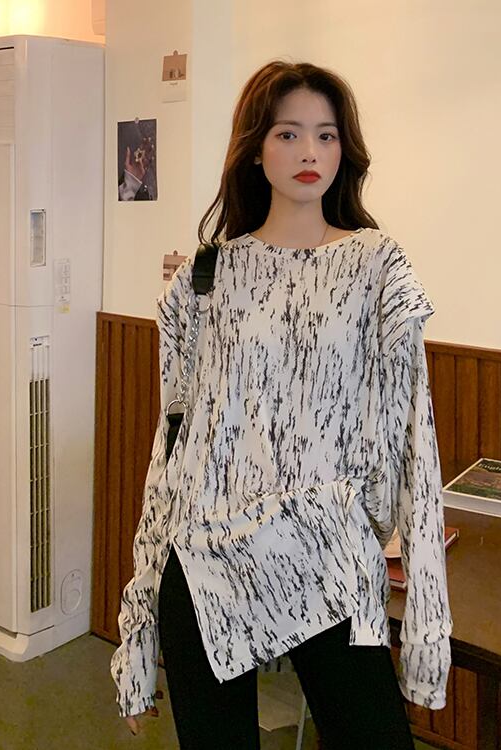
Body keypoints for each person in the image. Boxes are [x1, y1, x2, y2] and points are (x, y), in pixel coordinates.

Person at [110, 60, 452, 749]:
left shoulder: (376, 265)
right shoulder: (206, 276)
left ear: (344, 150)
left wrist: (424, 621)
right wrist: (137, 632)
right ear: (255, 148)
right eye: (288, 134)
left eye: (326, 136)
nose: (308, 152)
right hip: (206, 558)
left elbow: (417, 441)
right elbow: (172, 453)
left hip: (328, 554)